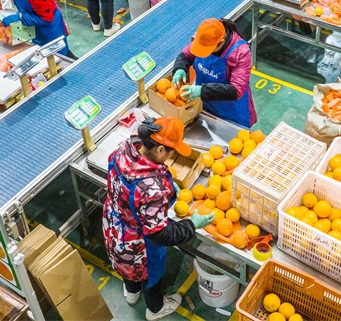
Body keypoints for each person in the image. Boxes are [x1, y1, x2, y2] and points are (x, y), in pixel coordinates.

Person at [103, 117, 215, 320]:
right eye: (172, 152)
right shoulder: (152, 189)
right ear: (161, 150)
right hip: (139, 246)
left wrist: (167, 187)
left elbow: (126, 183)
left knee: (127, 268)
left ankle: (132, 292)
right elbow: (160, 235)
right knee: (150, 277)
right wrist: (192, 225)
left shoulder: (125, 149)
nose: (172, 157)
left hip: (114, 227)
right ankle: (155, 309)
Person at [171, 18, 256, 129]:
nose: (204, 53)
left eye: (208, 49)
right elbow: (186, 55)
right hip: (205, 103)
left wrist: (201, 91)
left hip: (230, 111)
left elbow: (236, 90)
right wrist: (179, 68)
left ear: (221, 43)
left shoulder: (241, 52)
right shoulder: (206, 36)